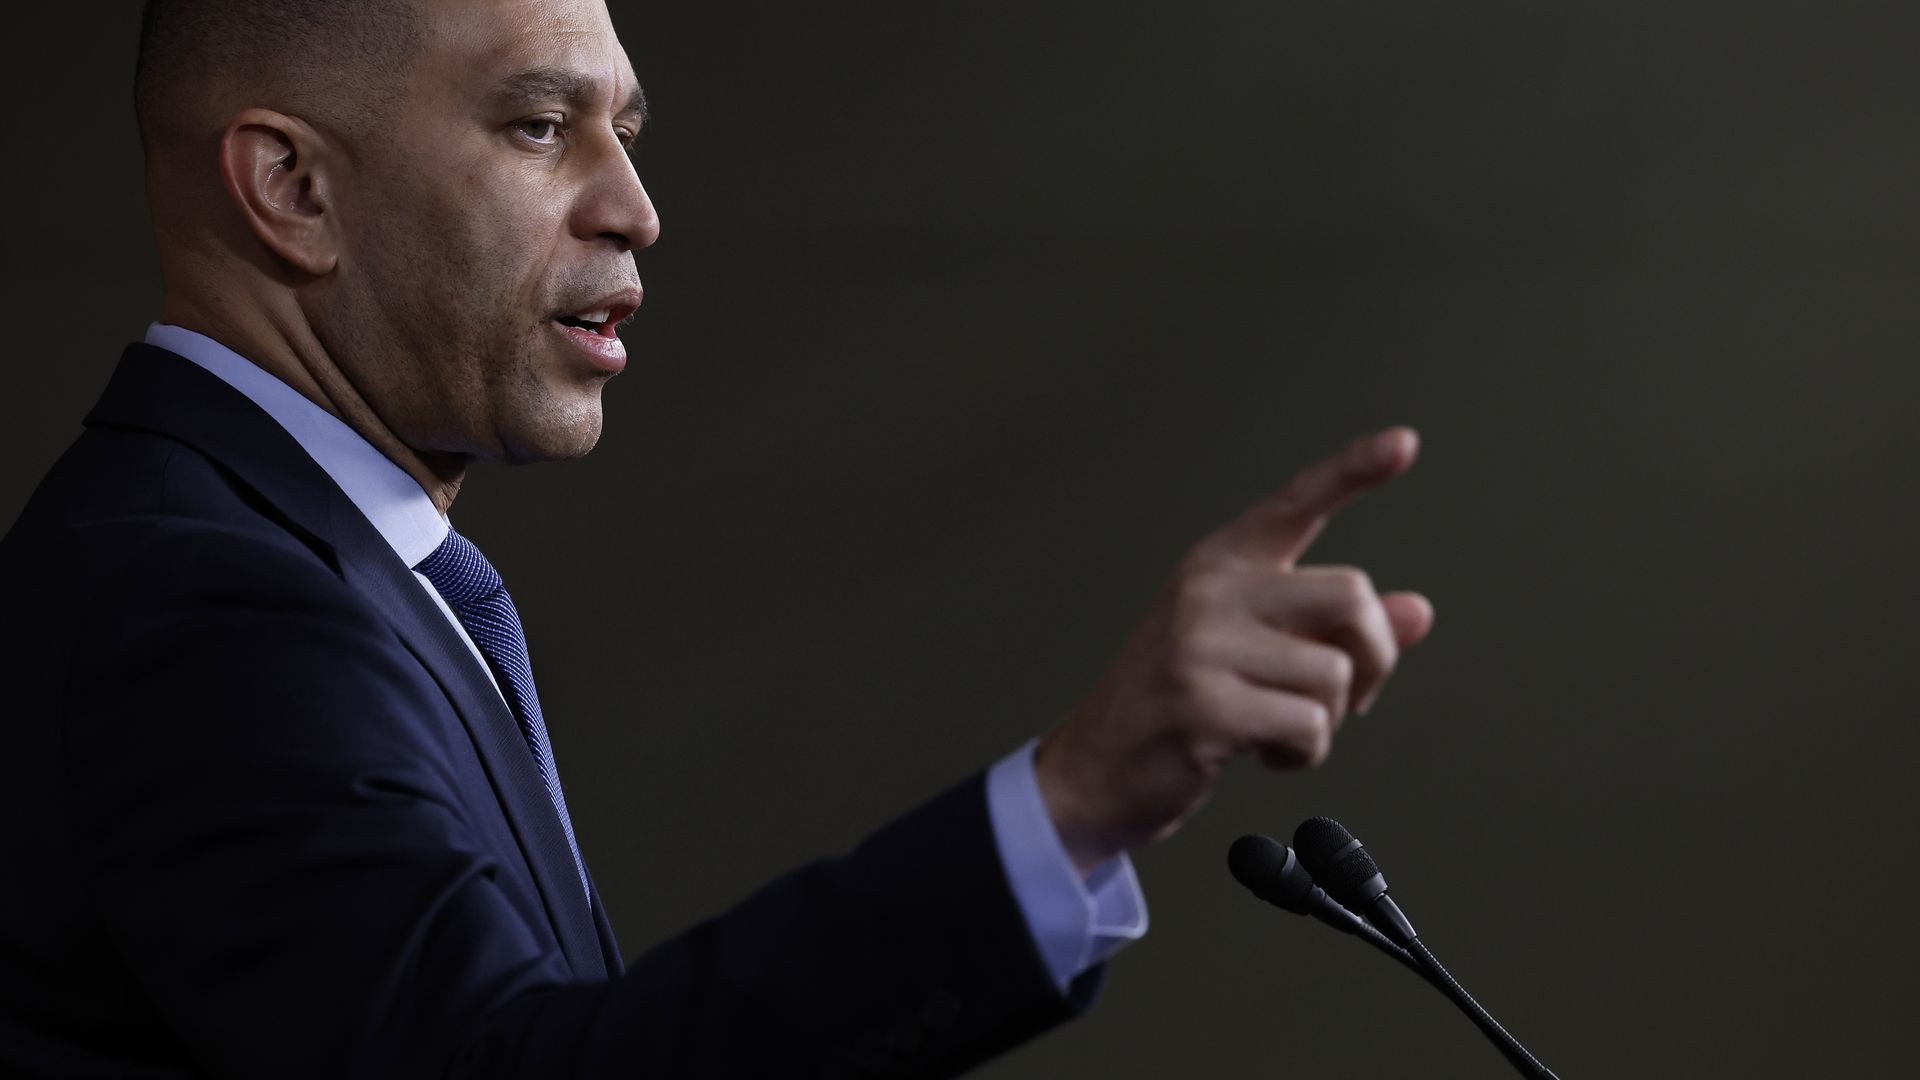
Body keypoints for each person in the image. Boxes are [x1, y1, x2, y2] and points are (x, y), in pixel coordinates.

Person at [0, 0, 1435, 1075]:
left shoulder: (296, 566)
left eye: (622, 130)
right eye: (537, 124)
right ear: (293, 190)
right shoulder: (200, 602)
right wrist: (1071, 805)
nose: (635, 206)